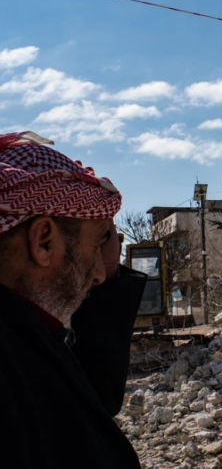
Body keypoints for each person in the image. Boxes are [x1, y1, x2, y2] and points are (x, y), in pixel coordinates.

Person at [0, 131, 146, 467]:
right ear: (45, 240)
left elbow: (97, 394)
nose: (98, 276)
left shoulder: (27, 333)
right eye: (96, 245)